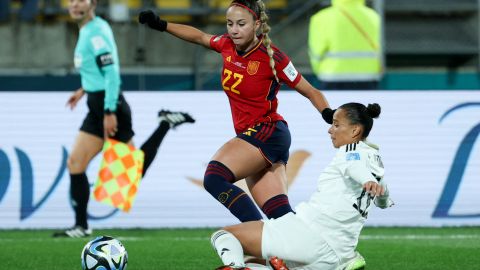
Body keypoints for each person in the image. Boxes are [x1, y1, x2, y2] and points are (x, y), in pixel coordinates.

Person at [138, 0, 334, 223]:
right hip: (258, 139)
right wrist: (162, 25)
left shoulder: (274, 58)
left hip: (267, 133)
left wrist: (328, 113)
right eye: (230, 23)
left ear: (257, 24)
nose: (234, 29)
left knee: (214, 178)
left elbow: (311, 91)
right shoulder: (226, 44)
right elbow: (199, 37)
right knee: (281, 218)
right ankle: (320, 253)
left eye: (241, 24)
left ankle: (257, 235)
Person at [53, 0, 195, 238]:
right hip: (96, 105)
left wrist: (109, 112)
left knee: (130, 174)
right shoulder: (88, 29)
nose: (76, 4)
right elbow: (96, 72)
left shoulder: (97, 32)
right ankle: (81, 226)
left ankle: (165, 123)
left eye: (82, 0)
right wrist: (83, 89)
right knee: (75, 164)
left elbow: (111, 74)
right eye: (72, 0)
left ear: (93, 4)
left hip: (110, 107)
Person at [210, 103, 394, 270]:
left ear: (355, 131)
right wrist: (377, 190)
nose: (330, 130)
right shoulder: (375, 160)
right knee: (253, 262)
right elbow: (383, 196)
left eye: (337, 125)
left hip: (309, 234)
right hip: (336, 256)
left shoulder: (351, 152)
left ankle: (235, 268)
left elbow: (354, 166)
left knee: (225, 235)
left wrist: (365, 180)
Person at [308, 0, 382, 90]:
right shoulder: (373, 16)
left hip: (332, 77)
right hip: (368, 77)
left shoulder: (321, 17)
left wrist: (318, 70)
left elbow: (316, 52)